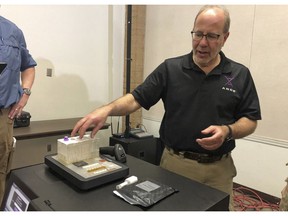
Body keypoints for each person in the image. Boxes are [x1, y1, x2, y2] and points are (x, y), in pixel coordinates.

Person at [71, 5, 261, 211]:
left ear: (225, 37)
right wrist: (106, 109)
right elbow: (136, 98)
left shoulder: (239, 74)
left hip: (220, 170)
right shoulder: (171, 69)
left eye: (212, 36)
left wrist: (227, 131)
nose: (203, 43)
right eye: (198, 34)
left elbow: (250, 120)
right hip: (176, 165)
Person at [0, 15, 37, 205]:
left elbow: (28, 66)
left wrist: (25, 94)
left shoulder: (13, 31)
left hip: (3, 117)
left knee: (1, 169)